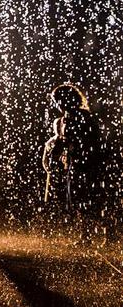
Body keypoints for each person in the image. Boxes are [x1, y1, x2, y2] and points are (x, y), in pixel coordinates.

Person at [42, 84, 104, 244]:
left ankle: (102, 233)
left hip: (87, 162)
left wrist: (72, 146)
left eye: (59, 100)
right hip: (72, 164)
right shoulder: (63, 120)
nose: (58, 104)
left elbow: (93, 140)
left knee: (89, 198)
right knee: (77, 199)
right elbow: (63, 140)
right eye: (56, 101)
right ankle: (87, 235)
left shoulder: (84, 116)